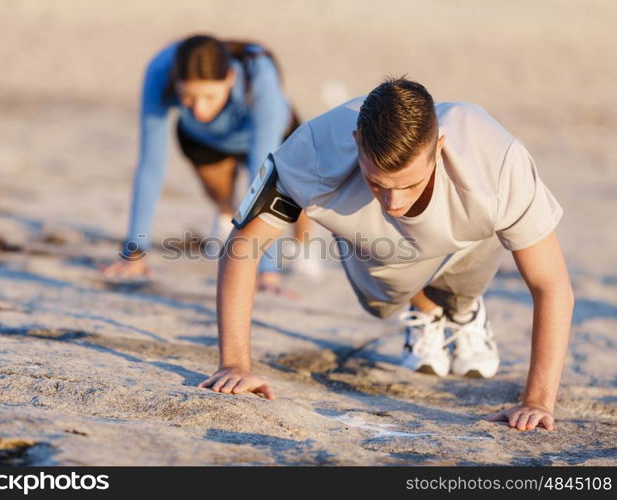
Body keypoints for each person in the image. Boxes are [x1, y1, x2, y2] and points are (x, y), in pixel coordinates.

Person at [198, 78, 574, 432]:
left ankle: (462, 312)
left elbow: (551, 284)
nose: (394, 201)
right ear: (356, 141)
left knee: (491, 221)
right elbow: (242, 248)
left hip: (464, 238)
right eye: (377, 183)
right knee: (381, 303)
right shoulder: (313, 148)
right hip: (376, 252)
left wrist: (539, 401)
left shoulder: (495, 159)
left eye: (409, 183)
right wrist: (234, 364)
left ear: (438, 147)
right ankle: (424, 307)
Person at [102, 34, 322, 292]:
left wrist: (267, 272)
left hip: (272, 134)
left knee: (296, 193)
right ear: (175, 82)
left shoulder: (259, 73)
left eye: (209, 97)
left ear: (230, 78)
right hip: (206, 140)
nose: (199, 110)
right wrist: (134, 253)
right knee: (221, 197)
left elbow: (264, 177)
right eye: (187, 98)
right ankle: (225, 221)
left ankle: (303, 246)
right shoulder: (160, 71)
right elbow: (151, 166)